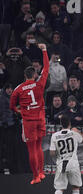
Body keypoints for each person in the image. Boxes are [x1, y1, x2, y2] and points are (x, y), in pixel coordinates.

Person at [9, 43, 48, 184]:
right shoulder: (40, 84)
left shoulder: (19, 89)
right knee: (39, 146)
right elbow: (47, 68)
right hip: (40, 119)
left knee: (31, 149)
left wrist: (19, 111)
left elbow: (12, 105)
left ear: (25, 76)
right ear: (34, 75)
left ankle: (36, 176)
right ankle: (42, 172)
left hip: (29, 122)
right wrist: (44, 50)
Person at [50, 114, 83, 194]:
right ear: (69, 123)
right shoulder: (74, 134)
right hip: (73, 163)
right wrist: (77, 132)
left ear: (61, 124)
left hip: (61, 163)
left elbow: (52, 152)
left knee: (59, 188)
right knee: (76, 187)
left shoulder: (54, 135)